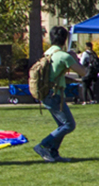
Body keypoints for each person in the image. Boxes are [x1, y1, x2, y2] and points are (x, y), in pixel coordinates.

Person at [33, 26, 88, 163]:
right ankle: (43, 145)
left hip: (46, 93)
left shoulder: (48, 53)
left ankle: (53, 153)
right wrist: (75, 58)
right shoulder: (64, 56)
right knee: (69, 125)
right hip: (55, 95)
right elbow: (83, 72)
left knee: (61, 125)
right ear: (64, 40)